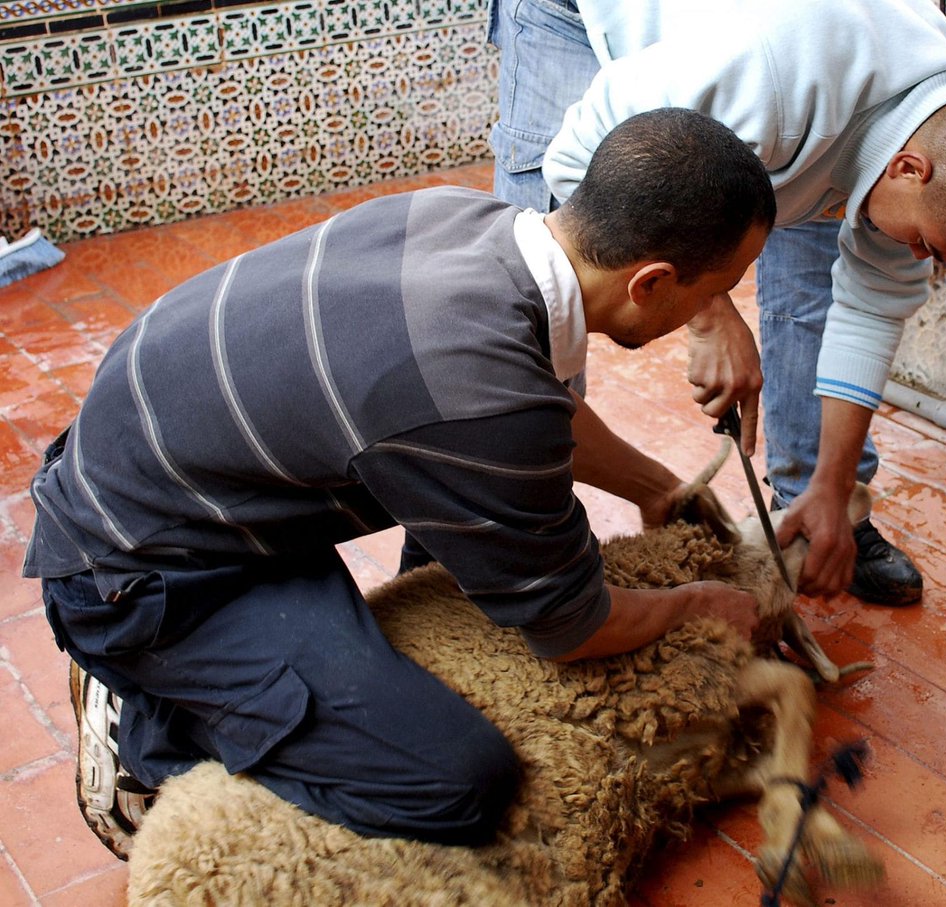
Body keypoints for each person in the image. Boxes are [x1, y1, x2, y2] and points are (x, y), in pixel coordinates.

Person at [23, 107, 776, 860]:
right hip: (142, 576)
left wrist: (656, 485)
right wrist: (697, 603)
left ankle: (284, 691)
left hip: (187, 480)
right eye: (722, 288)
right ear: (651, 282)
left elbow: (536, 419)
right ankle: (156, 725)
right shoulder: (483, 390)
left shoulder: (475, 223)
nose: (714, 309)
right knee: (459, 782)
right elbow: (572, 626)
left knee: (499, 510)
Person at [487, 0, 946, 606]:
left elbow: (870, 309)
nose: (920, 258)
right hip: (583, 18)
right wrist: (710, 315)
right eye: (926, 244)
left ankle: (813, 507)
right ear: (907, 168)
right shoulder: (765, 76)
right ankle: (511, 545)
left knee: (811, 285)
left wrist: (834, 486)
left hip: (785, 99)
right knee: (547, 288)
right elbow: (575, 158)